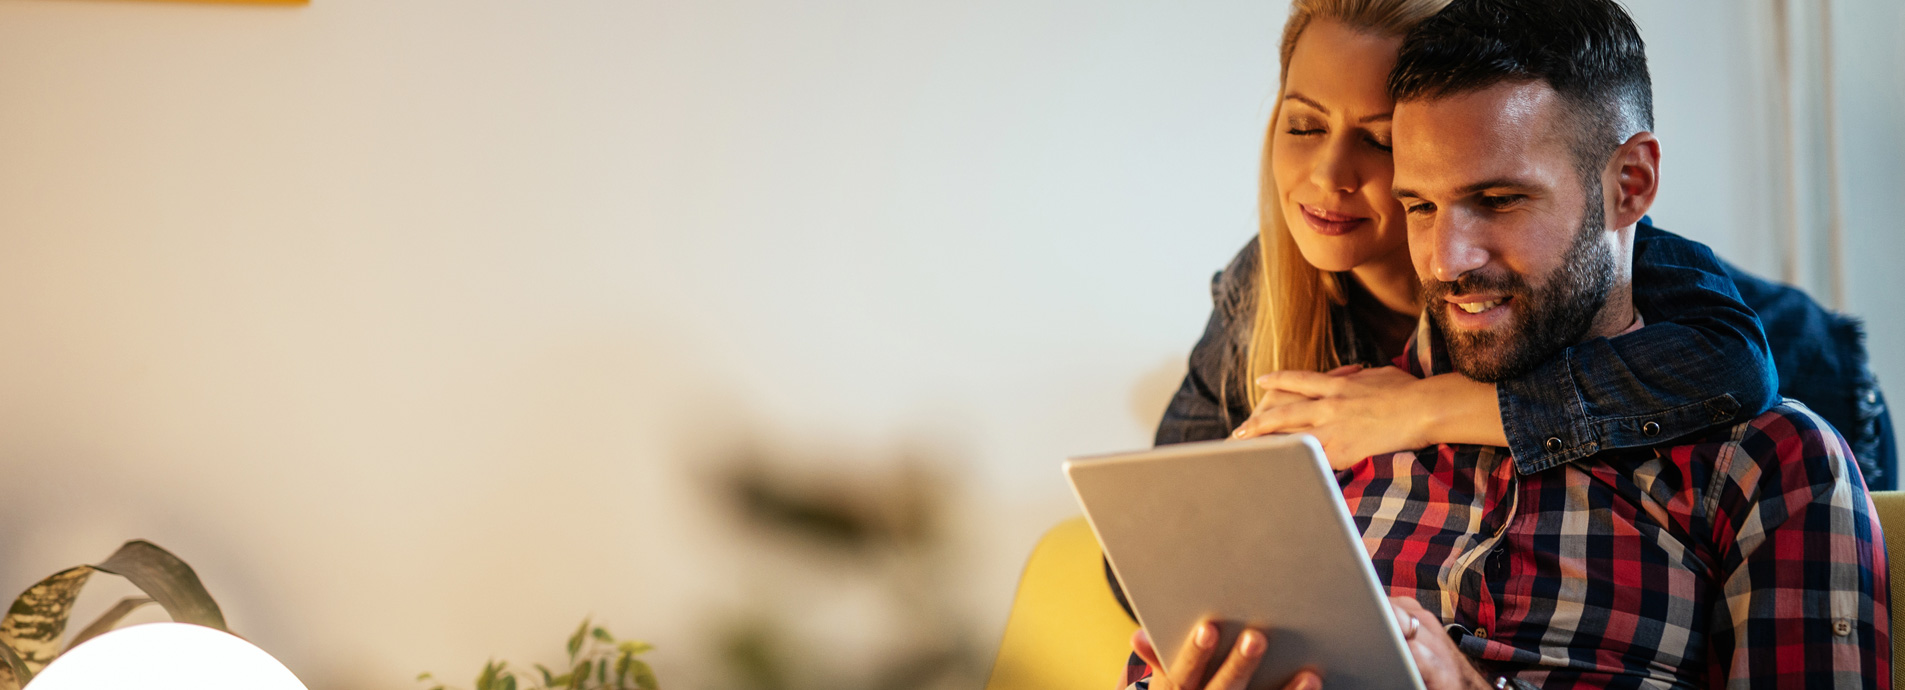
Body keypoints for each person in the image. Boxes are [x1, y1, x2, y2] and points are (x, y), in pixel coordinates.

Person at [1122, 0, 1891, 688]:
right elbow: (1141, 573)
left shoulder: (1766, 454)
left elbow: (1730, 367)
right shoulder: (1312, 418)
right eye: (1418, 204)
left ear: (1630, 184)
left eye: (1497, 200)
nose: (1444, 259)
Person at [1153, 0, 1894, 485]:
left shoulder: (1581, 254)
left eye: (1380, 144)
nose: (1327, 176)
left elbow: (1728, 366)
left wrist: (1421, 409)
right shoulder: (1265, 286)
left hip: (1828, 398)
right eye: (1303, 125)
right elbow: (1159, 518)